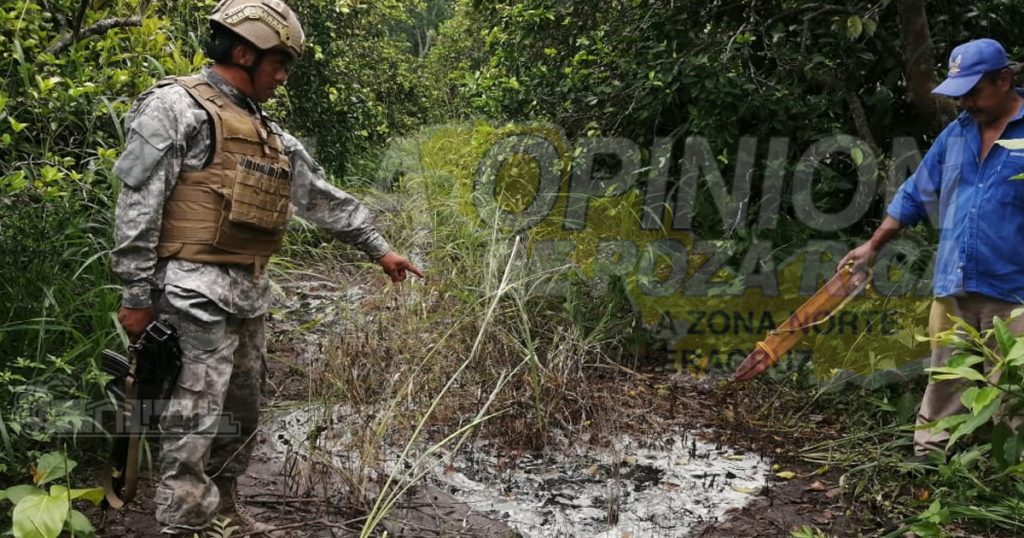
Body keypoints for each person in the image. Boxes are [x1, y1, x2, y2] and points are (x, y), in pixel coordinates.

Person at [110, 0, 423, 534]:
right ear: (242, 52)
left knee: (242, 417)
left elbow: (320, 198)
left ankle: (224, 512)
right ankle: (185, 526)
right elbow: (138, 206)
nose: (282, 76)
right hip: (188, 294)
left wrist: (379, 248)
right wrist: (137, 296)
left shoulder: (269, 133)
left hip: (248, 295)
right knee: (192, 422)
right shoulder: (174, 107)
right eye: (279, 64)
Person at [838, 38, 1024, 461]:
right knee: (945, 376)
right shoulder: (956, 135)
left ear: (1004, 79)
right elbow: (916, 194)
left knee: (1014, 387)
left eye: (973, 93)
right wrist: (873, 246)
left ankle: (1012, 477)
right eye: (959, 95)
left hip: (1014, 290)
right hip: (955, 281)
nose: (965, 105)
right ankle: (930, 456)